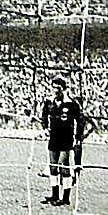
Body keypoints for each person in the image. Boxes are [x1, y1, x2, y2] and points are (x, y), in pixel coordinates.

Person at [40, 75, 82, 206]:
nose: (55, 91)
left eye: (58, 88)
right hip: (54, 138)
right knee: (53, 166)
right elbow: (44, 116)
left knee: (63, 166)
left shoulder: (71, 104)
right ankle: (54, 195)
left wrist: (78, 138)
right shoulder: (49, 102)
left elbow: (80, 121)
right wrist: (45, 128)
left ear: (64, 89)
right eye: (54, 88)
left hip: (66, 139)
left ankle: (65, 197)